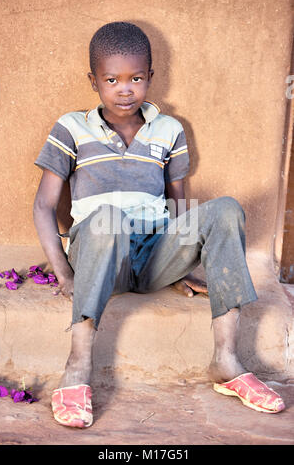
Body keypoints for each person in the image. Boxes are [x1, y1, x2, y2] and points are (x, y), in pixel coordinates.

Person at [33, 22, 285, 428]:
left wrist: (181, 266)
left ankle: (226, 360)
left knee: (224, 209)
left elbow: (179, 200)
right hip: (100, 256)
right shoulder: (71, 128)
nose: (125, 89)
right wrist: (64, 273)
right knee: (109, 219)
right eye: (111, 79)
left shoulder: (169, 130)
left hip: (154, 256)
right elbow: (44, 206)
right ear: (94, 81)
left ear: (150, 77)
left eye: (135, 78)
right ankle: (77, 365)